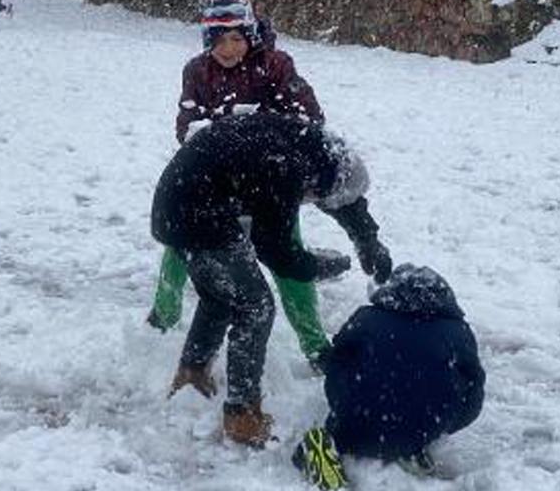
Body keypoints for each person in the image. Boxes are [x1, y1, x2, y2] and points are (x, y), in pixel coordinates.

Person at [153, 112, 392, 447]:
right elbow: (274, 249)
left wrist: (367, 239)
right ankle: (242, 414)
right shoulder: (285, 164)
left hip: (176, 209)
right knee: (256, 306)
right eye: (311, 196)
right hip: (199, 215)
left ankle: (191, 375)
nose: (309, 200)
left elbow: (337, 195)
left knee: (219, 297)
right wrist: (317, 267)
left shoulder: (305, 147)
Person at [147, 0, 343, 369]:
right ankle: (160, 320)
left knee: (287, 257)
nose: (227, 49)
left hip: (269, 185)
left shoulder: (275, 65)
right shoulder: (197, 70)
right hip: (212, 186)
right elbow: (186, 126)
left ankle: (315, 343)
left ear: (249, 36)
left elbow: (309, 121)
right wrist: (215, 131)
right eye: (218, 40)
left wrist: (259, 127)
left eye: (236, 38)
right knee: (179, 247)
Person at [296, 265, 486, 488]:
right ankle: (410, 445)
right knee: (430, 392)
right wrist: (444, 421)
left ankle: (325, 447)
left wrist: (342, 398)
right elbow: (475, 385)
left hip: (356, 422)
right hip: (426, 426)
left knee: (345, 364)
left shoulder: (366, 317)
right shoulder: (458, 331)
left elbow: (336, 359)